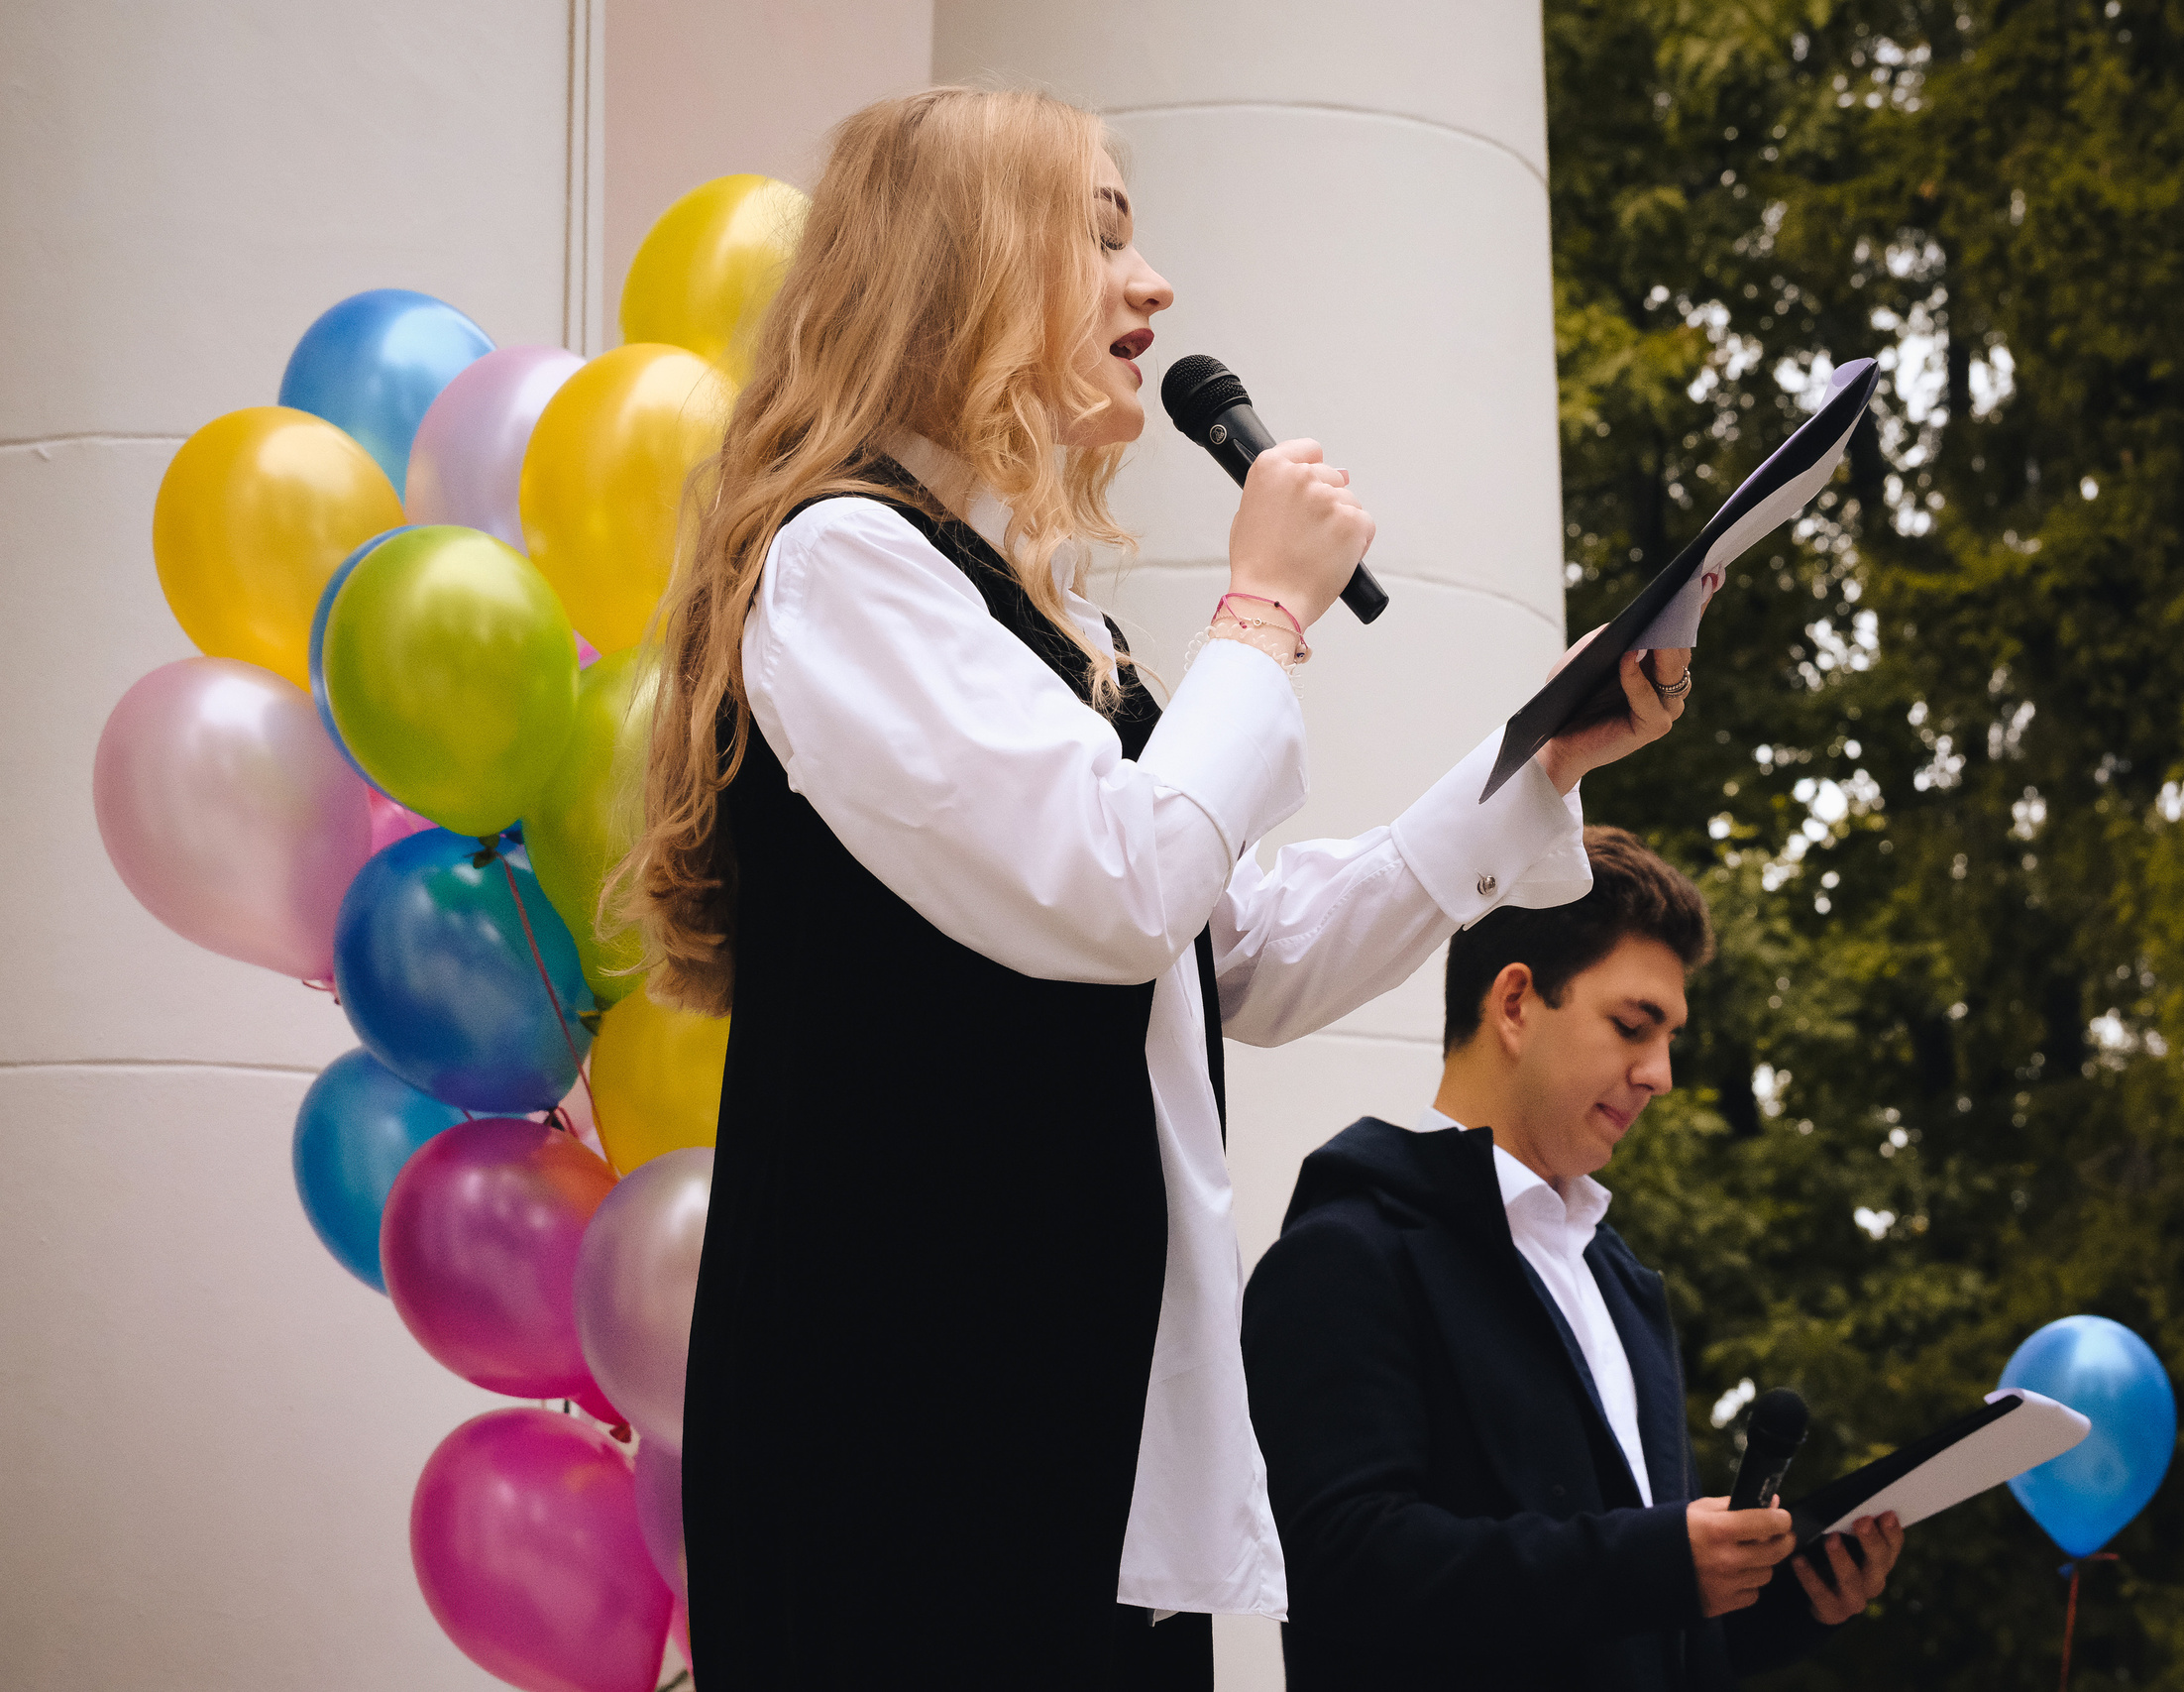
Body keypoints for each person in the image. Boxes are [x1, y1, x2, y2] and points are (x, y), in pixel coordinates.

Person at [620, 87, 1693, 1688]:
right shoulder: (845, 560)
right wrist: (1260, 611)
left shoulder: (1061, 634)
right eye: (1104, 231)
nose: (1156, 285)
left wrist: (1533, 765)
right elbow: (1120, 885)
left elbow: (1231, 956)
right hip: (912, 1417)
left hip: (1078, 1414)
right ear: (963, 263)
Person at [1241, 826, 1907, 1690]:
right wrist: (1660, 1560)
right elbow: (1345, 1568)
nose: (1661, 1073)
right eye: (1634, 1025)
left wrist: (1790, 1601)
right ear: (1514, 1004)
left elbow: (1638, 1633)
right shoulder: (1346, 1255)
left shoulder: (1623, 1288)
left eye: (1669, 1036)